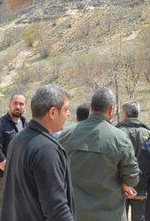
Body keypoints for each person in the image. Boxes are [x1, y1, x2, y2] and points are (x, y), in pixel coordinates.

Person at [59, 88, 140, 221]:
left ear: (91, 108)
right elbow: (132, 178)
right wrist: (125, 184)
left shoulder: (66, 136)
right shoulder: (121, 139)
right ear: (111, 110)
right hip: (111, 215)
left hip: (75, 213)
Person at [0, 85, 73, 221]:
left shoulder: (18, 139)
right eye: (66, 109)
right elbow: (57, 209)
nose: (68, 114)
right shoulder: (46, 149)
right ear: (52, 112)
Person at [0, 94, 27, 215]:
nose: (18, 106)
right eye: (15, 103)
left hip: (19, 175)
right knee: (6, 211)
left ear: (25, 107)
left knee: (18, 210)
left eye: (21, 104)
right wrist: (12, 172)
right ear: (9, 105)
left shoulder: (26, 124)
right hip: (1, 176)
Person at [117, 101, 150, 221]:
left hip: (120, 185)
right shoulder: (149, 133)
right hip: (143, 186)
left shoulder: (117, 132)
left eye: (121, 112)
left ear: (126, 113)